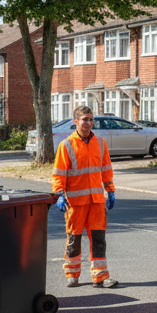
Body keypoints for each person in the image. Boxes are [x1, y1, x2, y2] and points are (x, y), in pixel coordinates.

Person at [51, 106, 119, 288]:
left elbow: (106, 169)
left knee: (98, 239)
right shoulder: (66, 145)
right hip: (75, 202)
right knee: (74, 238)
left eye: (90, 119)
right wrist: (59, 194)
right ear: (76, 122)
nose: (88, 123)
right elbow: (59, 174)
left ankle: (101, 276)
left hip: (96, 201)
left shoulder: (101, 143)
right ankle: (72, 274)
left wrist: (110, 190)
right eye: (84, 119)